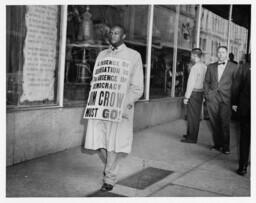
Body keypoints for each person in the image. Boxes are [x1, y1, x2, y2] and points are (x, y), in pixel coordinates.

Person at [84, 25, 144, 192]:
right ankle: (110, 168)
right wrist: (93, 100)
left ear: (123, 35)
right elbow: (95, 80)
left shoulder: (134, 56)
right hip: (101, 106)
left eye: (117, 32)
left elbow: (138, 87)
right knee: (98, 141)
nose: (113, 35)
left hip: (120, 108)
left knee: (114, 144)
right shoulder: (102, 55)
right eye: (111, 32)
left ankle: (109, 177)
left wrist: (126, 104)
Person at [204, 46, 238, 154]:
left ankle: (226, 146)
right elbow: (206, 82)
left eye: (223, 52)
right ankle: (217, 144)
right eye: (219, 52)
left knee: (224, 122)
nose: (220, 54)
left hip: (226, 98)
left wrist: (235, 100)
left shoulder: (234, 67)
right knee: (214, 122)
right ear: (216, 53)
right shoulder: (210, 67)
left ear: (227, 54)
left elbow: (237, 84)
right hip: (213, 98)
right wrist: (207, 95)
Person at [181, 48, 207, 143]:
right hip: (200, 93)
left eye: (191, 55)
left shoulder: (195, 67)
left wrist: (186, 97)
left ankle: (191, 138)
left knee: (192, 117)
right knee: (195, 116)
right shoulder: (204, 66)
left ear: (194, 56)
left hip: (194, 93)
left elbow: (191, 83)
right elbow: (206, 82)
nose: (190, 57)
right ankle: (191, 134)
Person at [232, 54, 250, 175]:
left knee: (245, 137)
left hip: (246, 108)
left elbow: (236, 87)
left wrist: (234, 103)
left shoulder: (243, 68)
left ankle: (243, 166)